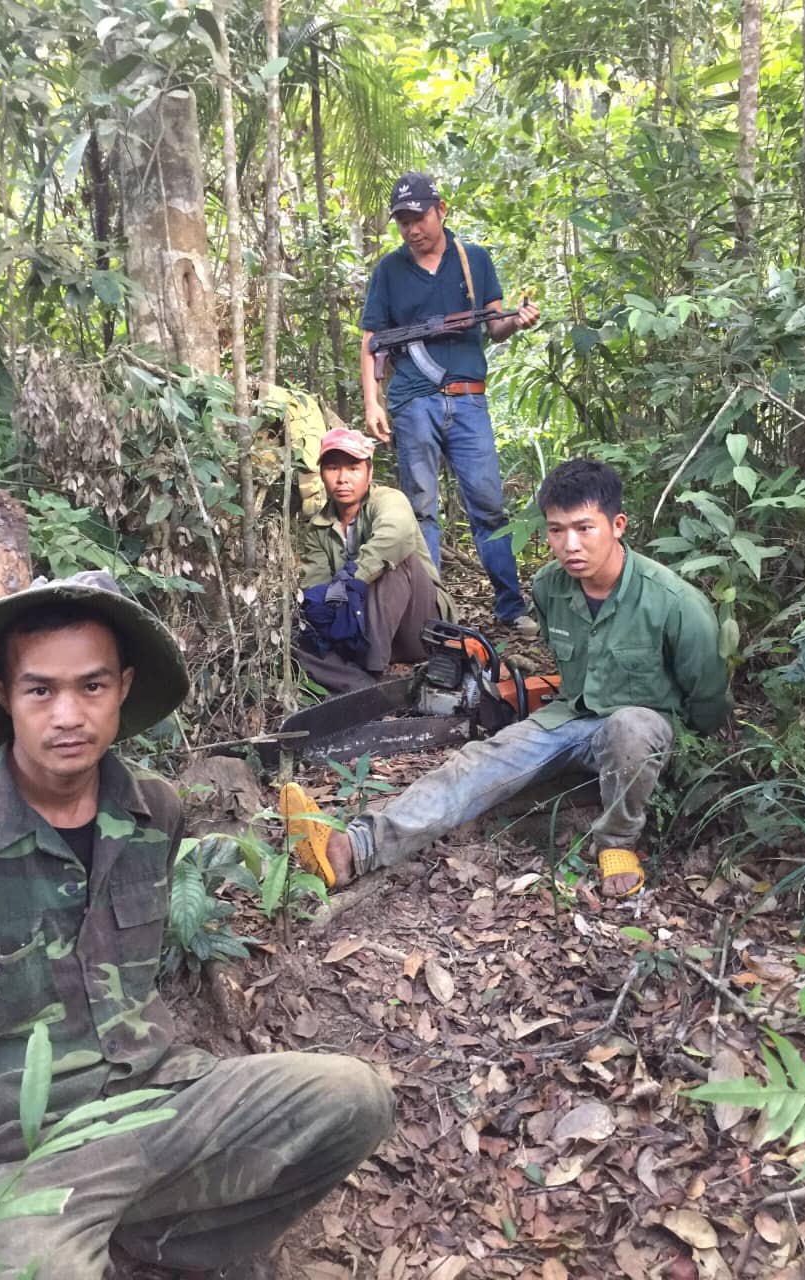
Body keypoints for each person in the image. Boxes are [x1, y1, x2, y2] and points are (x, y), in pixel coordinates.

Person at [0, 571, 394, 1280]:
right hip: (12, 1148)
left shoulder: (153, 812)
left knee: (352, 1098)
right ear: (1, 695)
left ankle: (169, 1246)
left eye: (92, 686)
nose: (67, 714)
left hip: (154, 1098)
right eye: (40, 690)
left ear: (123, 688)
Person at [284, 460, 733, 897]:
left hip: (645, 732)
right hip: (570, 720)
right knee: (477, 763)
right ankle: (353, 849)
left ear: (617, 525)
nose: (570, 545)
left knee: (630, 727)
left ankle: (616, 843)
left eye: (584, 528)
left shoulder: (674, 602)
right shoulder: (549, 587)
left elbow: (708, 702)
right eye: (556, 530)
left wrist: (681, 763)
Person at [360, 171, 541, 638]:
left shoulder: (473, 259)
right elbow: (372, 340)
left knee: (490, 507)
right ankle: (431, 613)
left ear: (440, 210)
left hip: (468, 400)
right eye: (402, 222)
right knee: (422, 511)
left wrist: (517, 321)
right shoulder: (388, 271)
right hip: (412, 402)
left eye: (418, 218)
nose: (411, 229)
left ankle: (510, 606)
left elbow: (495, 326)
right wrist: (372, 402)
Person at [296, 427, 456, 695]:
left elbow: (395, 535)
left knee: (395, 559)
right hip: (360, 629)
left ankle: (369, 670)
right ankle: (363, 687)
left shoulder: (389, 499)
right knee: (299, 624)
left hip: (419, 627)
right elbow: (316, 586)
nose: (342, 479)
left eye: (353, 469)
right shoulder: (318, 527)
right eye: (333, 468)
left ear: (369, 474)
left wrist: (352, 579)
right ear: (322, 474)